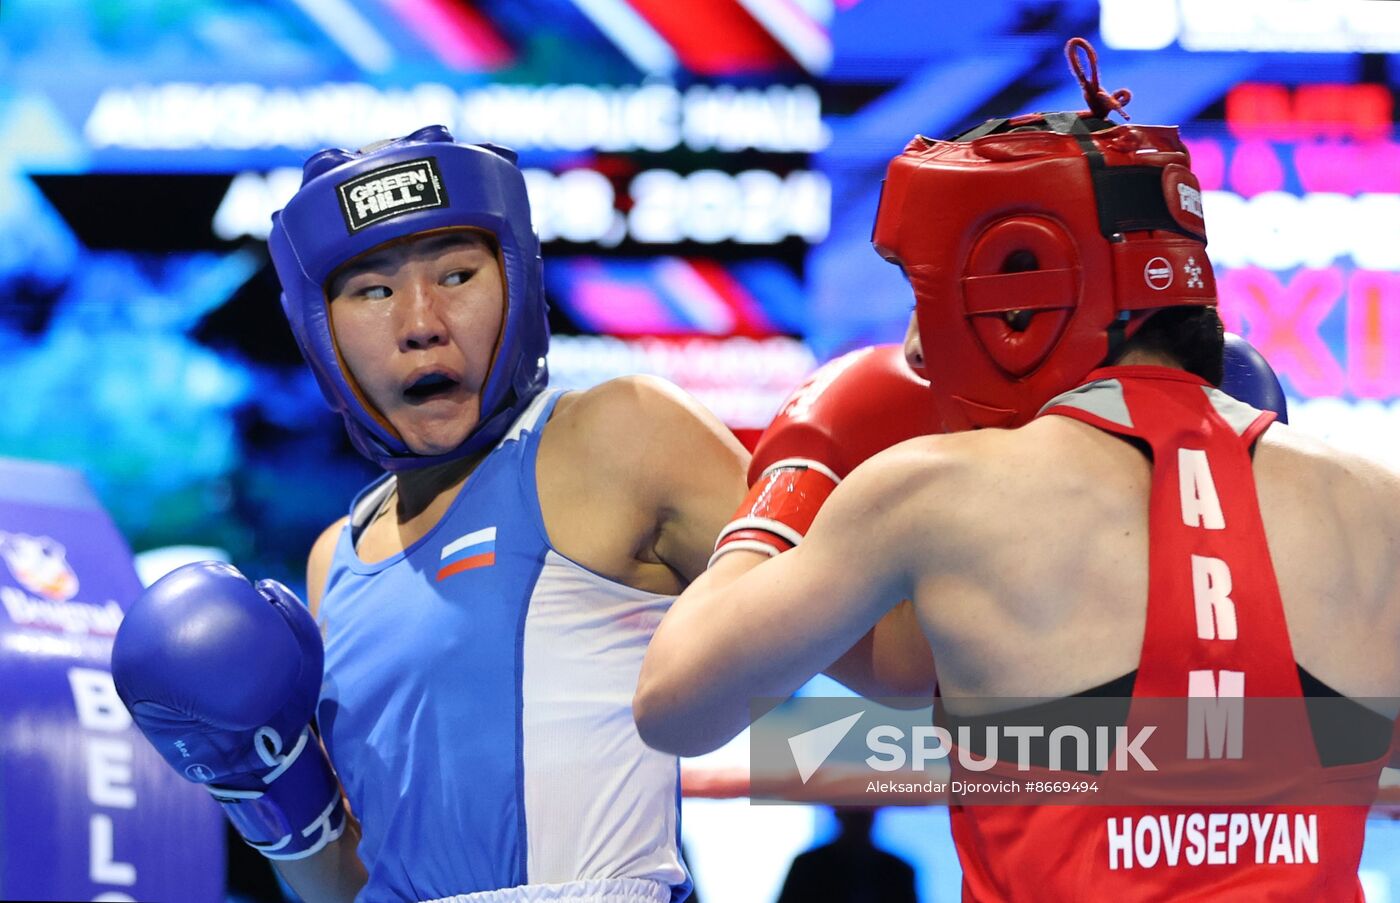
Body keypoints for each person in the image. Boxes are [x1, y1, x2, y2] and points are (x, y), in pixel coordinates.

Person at [634, 39, 1400, 900]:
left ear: (1020, 296)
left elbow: (675, 704)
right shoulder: (1378, 505)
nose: (918, 346)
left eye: (926, 298)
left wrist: (792, 489)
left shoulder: (937, 492)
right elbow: (907, 668)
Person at [112, 125, 754, 903]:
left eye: (455, 274)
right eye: (373, 291)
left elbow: (885, 669)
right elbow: (343, 888)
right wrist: (264, 789)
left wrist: (768, 757)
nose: (421, 322)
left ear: (517, 281)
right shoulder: (335, 560)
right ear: (322, 333)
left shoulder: (617, 437)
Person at [776, 809, 917, 903]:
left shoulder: (898, 870)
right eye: (853, 814)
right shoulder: (808, 865)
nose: (858, 821)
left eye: (862, 815)